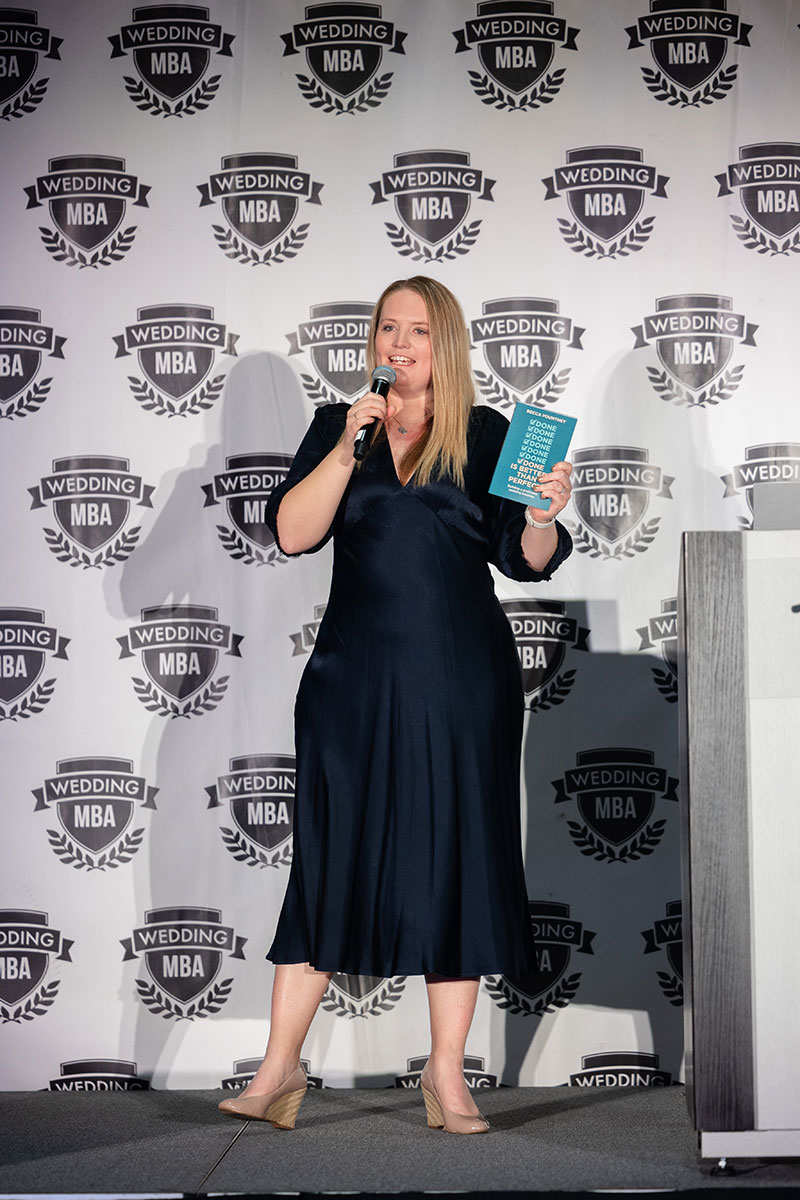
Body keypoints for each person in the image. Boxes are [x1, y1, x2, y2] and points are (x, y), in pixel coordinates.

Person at [218, 276, 573, 1135]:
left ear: (444, 342)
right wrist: (347, 445)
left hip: (460, 686)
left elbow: (526, 560)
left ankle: (446, 1078)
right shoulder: (339, 427)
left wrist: (542, 515)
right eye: (388, 328)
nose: (400, 343)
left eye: (418, 330)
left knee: (455, 864)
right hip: (351, 684)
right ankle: (277, 1071)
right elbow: (293, 533)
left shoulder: (492, 436)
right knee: (329, 861)